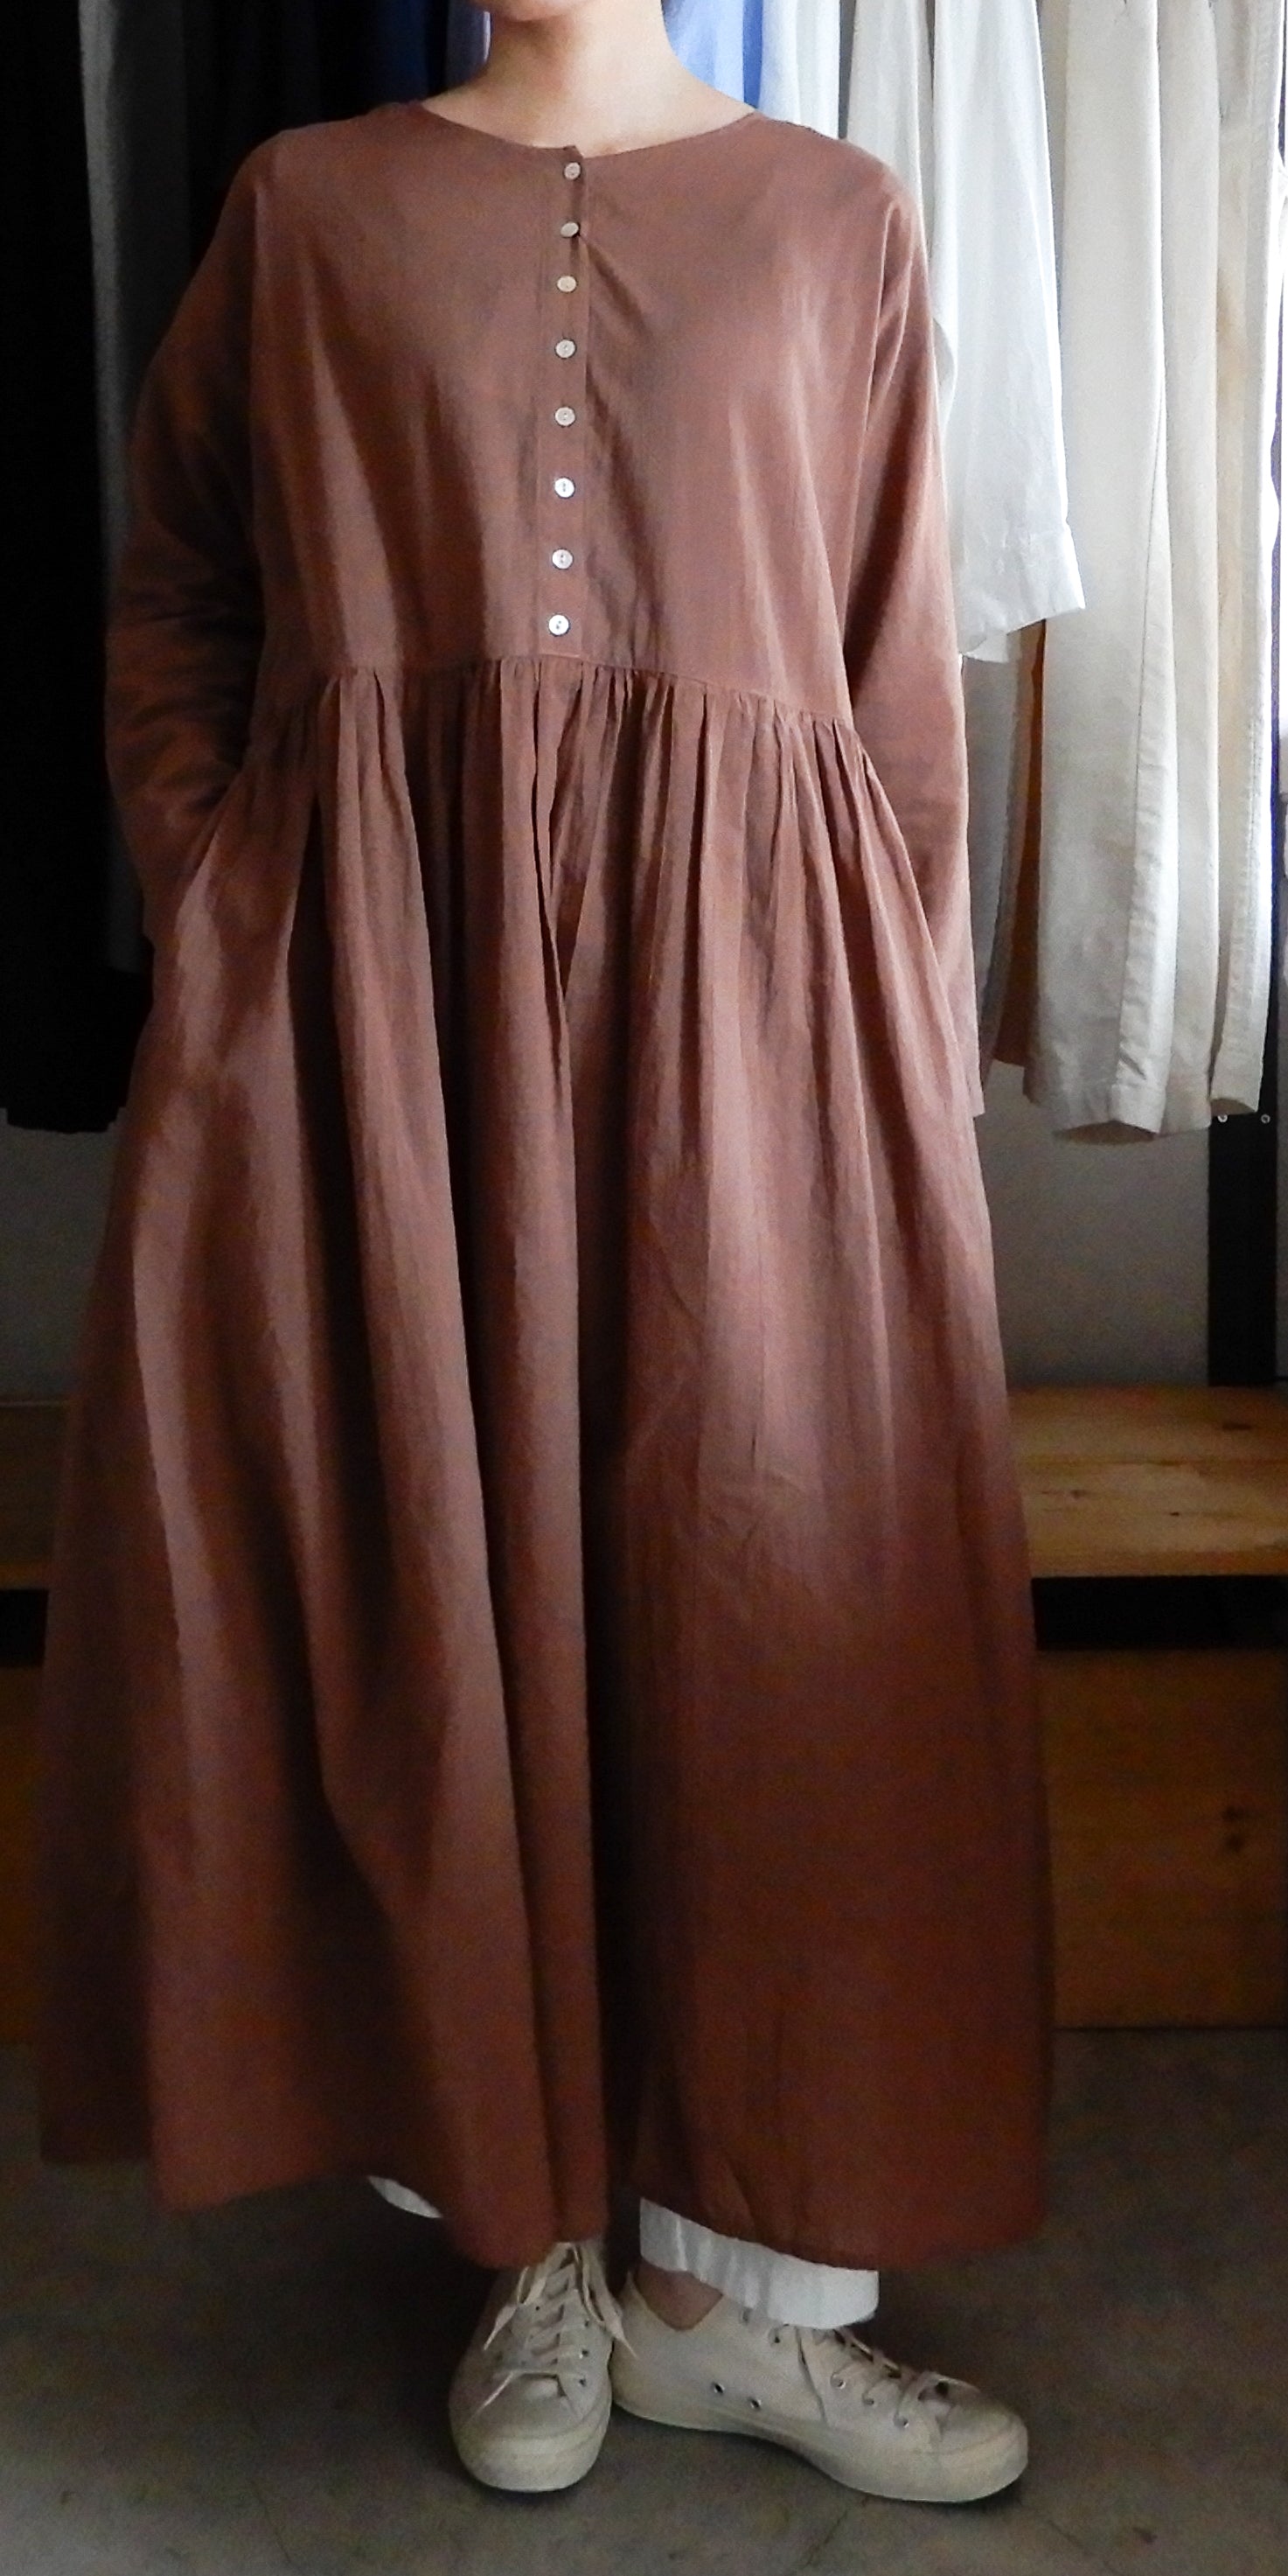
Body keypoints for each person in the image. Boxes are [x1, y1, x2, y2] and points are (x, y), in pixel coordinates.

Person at [35, 0, 1053, 2510]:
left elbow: (893, 677)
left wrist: (903, 1058)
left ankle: (741, 2293)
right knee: (435, 1577)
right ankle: (529, 2239)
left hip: (760, 1025)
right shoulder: (307, 208)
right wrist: (235, 900)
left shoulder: (836, 218)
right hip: (391, 1015)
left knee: (761, 1608)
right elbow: (180, 600)